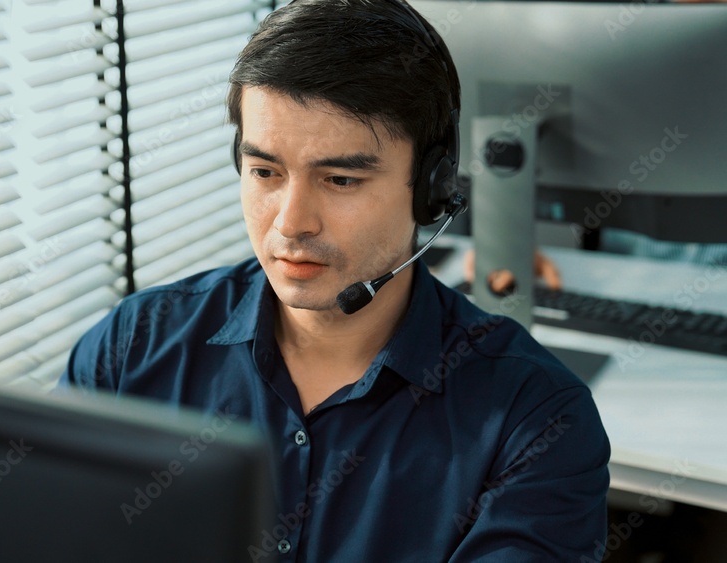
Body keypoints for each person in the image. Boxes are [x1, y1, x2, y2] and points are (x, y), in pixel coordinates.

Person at [58, 1, 610, 560]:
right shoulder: (132, 351)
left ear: (432, 190)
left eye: (340, 179)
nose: (291, 222)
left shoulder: (535, 422)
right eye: (265, 172)